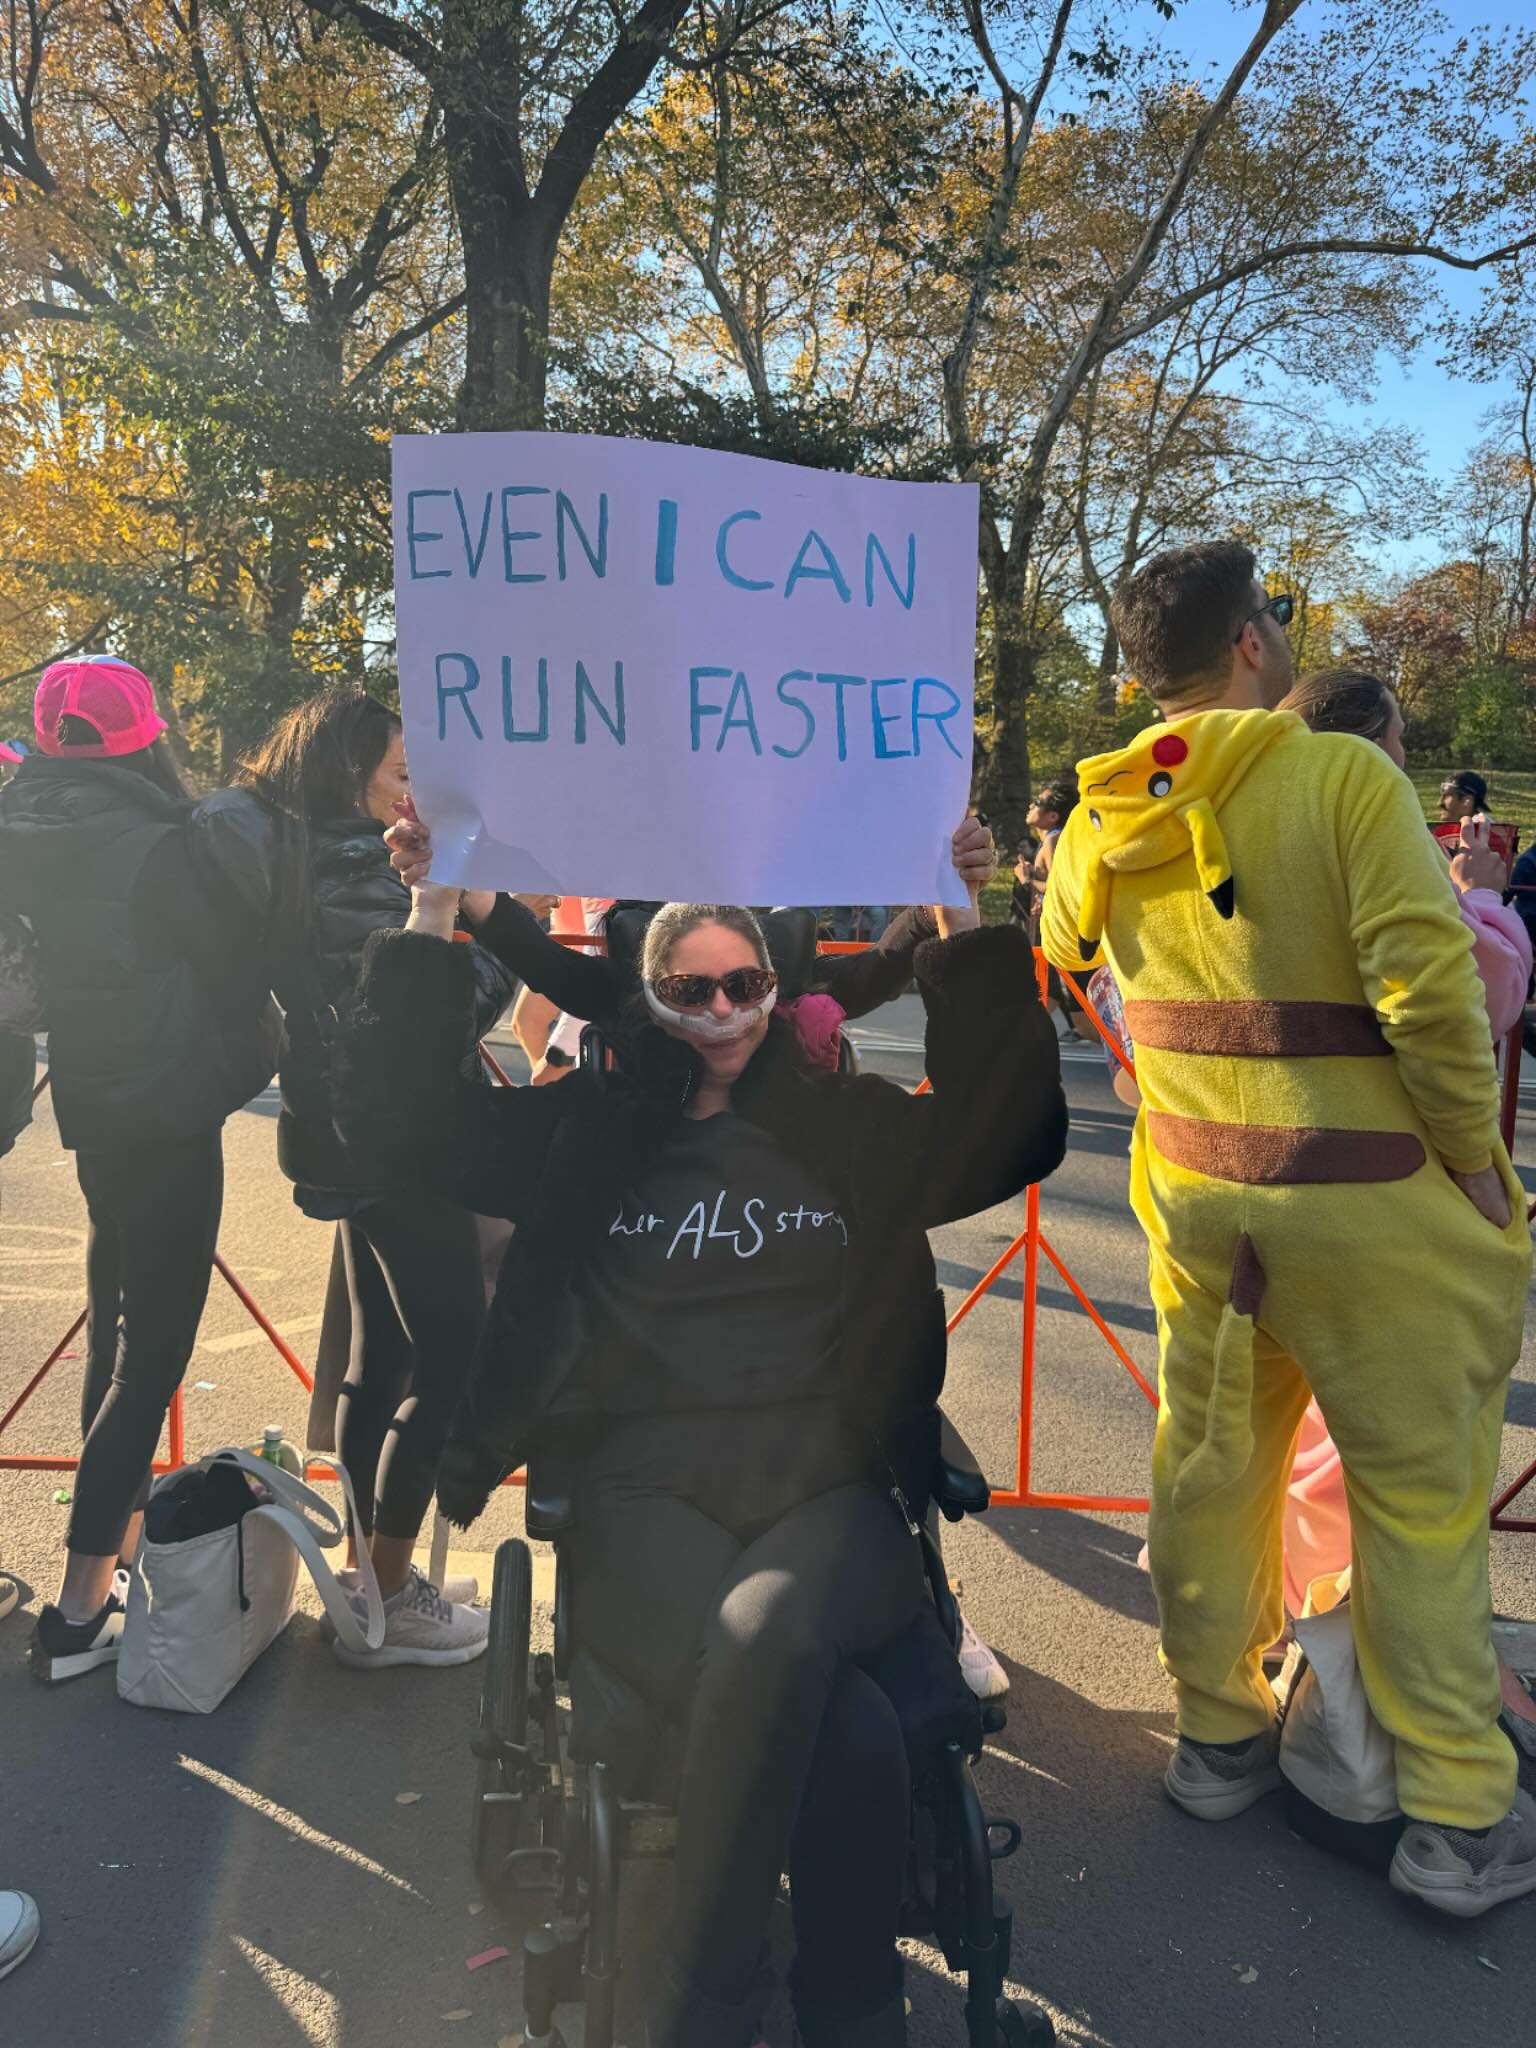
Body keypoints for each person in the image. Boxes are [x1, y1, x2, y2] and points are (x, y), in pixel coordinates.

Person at [335, 876, 1067, 2048]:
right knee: (854, 1724)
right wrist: (430, 914)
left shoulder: (852, 1128)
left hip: (834, 1487)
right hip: (642, 1489)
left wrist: (965, 922)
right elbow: (392, 1122)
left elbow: (1015, 1125)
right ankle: (849, 2011)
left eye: (745, 983)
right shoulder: (587, 1138)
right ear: (651, 1001)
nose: (720, 1007)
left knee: (766, 1634)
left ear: (778, 995)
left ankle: (702, 2002)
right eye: (689, 987)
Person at [1040, 541, 1534, 1919]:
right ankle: (1453, 1821)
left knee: (1210, 1470)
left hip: (1202, 1205)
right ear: (1252, 643)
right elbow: (1430, 995)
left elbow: (1073, 960)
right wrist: (1476, 1163)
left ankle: (1216, 1740)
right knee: (1420, 1509)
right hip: (1372, 1205)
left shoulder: (1097, 818)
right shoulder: (1339, 775)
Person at [0, 657, 279, 1683]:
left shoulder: (15, 821)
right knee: (151, 1351)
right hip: (167, 1102)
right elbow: (236, 965)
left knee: (115, 1327)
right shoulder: (165, 844)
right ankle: (77, 1613)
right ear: (145, 736)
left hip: (86, 1101)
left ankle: (105, 1562)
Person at [235, 689, 516, 1667]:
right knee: (448, 1352)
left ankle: (366, 1578)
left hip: (343, 1135)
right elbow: (434, 1012)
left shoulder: (301, 853)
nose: (417, 792)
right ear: (350, 775)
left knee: (384, 1356)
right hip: (400, 1142)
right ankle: (389, 1596)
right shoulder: (368, 872)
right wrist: (481, 938)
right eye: (403, 773)